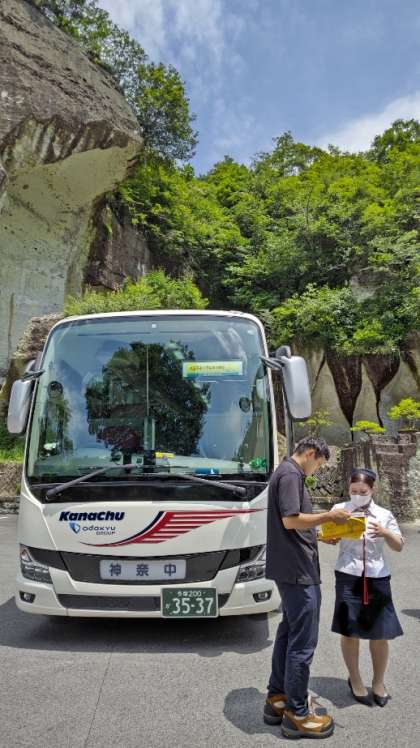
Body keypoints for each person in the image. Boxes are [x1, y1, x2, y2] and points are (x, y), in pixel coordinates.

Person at [264, 436, 351, 739]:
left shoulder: (286, 472)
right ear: (311, 453)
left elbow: (294, 524)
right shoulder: (291, 474)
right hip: (298, 571)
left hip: (291, 568)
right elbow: (290, 521)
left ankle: (277, 698)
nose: (317, 470)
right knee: (302, 642)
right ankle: (298, 713)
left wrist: (319, 534)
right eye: (319, 464)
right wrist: (329, 515)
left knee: (289, 633)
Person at [330, 467, 404, 707]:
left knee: (380, 633)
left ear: (373, 490)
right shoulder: (340, 510)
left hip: (377, 576)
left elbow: (399, 546)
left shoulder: (384, 514)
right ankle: (355, 679)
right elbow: (327, 535)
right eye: (354, 491)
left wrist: (384, 532)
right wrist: (329, 537)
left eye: (363, 491)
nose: (358, 495)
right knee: (349, 631)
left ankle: (378, 682)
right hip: (348, 574)